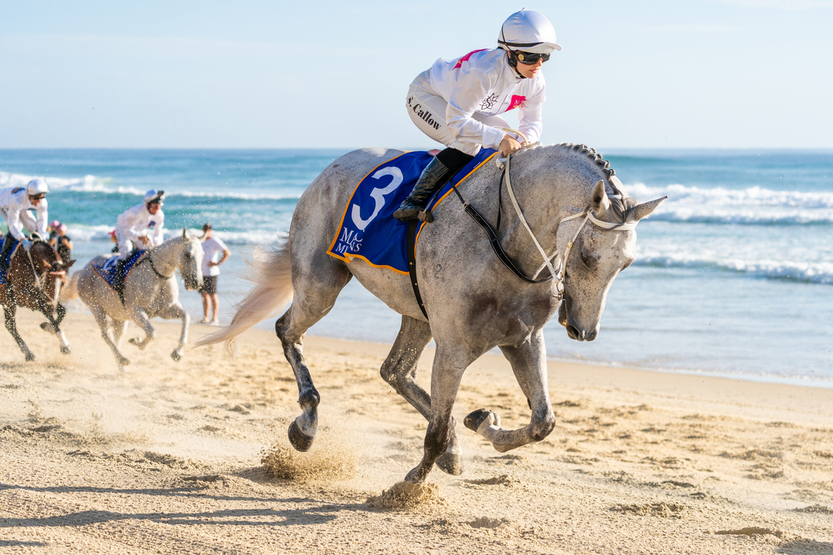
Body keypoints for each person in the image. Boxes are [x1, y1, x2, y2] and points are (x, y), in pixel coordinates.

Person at [394, 9, 561, 221]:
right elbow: (457, 122)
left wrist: (521, 141)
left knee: (509, 139)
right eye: (529, 57)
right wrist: (500, 139)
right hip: (427, 96)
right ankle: (415, 199)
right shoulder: (484, 72)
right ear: (509, 53)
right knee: (469, 143)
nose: (538, 64)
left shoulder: (536, 82)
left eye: (544, 56)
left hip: (469, 108)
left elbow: (533, 123)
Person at [113, 189, 165, 299]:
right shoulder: (136, 211)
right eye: (155, 206)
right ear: (147, 204)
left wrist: (156, 243)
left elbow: (158, 233)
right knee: (126, 250)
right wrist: (138, 237)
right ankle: (118, 281)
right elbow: (127, 229)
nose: (157, 209)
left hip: (139, 230)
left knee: (150, 249)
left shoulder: (159, 215)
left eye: (159, 206)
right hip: (124, 228)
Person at [0, 178, 50, 278]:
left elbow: (41, 223)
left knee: (32, 227)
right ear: (28, 195)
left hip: (22, 207)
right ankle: (3, 260)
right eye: (36, 198)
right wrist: (22, 239)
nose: (39, 201)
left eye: (42, 197)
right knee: (17, 227)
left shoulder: (42, 202)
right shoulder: (17, 200)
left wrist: (42, 235)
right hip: (5, 204)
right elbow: (13, 224)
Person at [198, 223, 230, 325]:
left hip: (211, 272)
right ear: (203, 230)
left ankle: (215, 318)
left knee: (212, 295)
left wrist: (217, 263)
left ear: (211, 230)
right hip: (201, 272)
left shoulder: (214, 240)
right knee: (204, 295)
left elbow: (227, 252)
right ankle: (206, 317)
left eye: (209, 229)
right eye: (205, 229)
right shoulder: (200, 241)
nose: (207, 231)